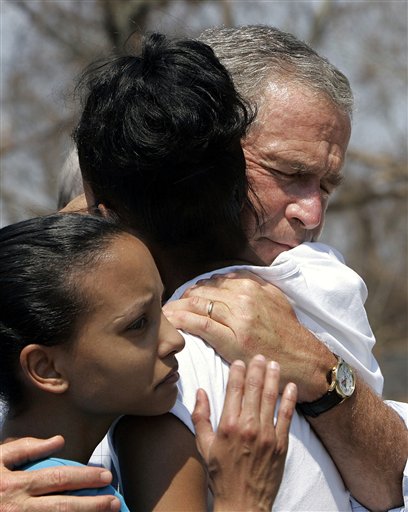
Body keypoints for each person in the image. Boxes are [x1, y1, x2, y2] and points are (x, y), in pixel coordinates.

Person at [1, 26, 407, 511]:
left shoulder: (319, 287)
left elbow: (392, 482)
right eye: (288, 173)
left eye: (327, 186)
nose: (312, 214)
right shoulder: (144, 377)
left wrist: (326, 375)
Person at [0, 212, 296, 512]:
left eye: (161, 305)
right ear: (46, 368)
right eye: (138, 324)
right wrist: (244, 500)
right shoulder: (60, 501)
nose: (175, 340)